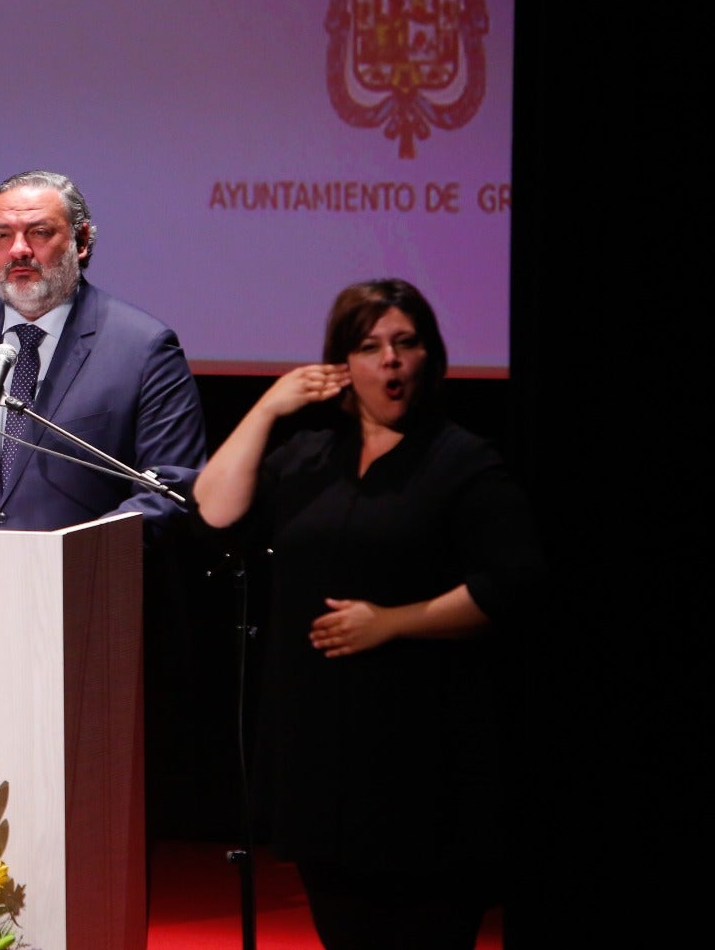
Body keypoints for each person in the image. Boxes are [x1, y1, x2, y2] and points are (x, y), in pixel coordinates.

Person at [191, 279, 544, 949]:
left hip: (425, 764)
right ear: (341, 365)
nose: (390, 362)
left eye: (405, 344)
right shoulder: (308, 458)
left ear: (430, 357)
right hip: (323, 763)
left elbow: (511, 584)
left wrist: (393, 621)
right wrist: (269, 407)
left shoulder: (463, 462)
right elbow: (212, 512)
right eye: (370, 346)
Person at [0, 169, 206, 546]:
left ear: (80, 242)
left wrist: (63, 561)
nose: (18, 250)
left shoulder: (145, 349)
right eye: (3, 235)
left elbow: (169, 488)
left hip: (83, 590)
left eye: (39, 233)